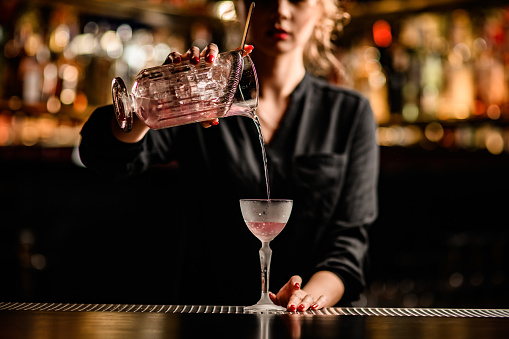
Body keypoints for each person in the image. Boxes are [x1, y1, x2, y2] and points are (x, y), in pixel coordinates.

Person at [79, 0, 378, 311]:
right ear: (242, 8)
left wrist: (308, 298)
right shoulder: (203, 99)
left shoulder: (349, 113)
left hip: (309, 321)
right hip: (208, 318)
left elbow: (350, 245)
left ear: (323, 11)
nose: (281, 11)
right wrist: (159, 102)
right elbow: (103, 156)